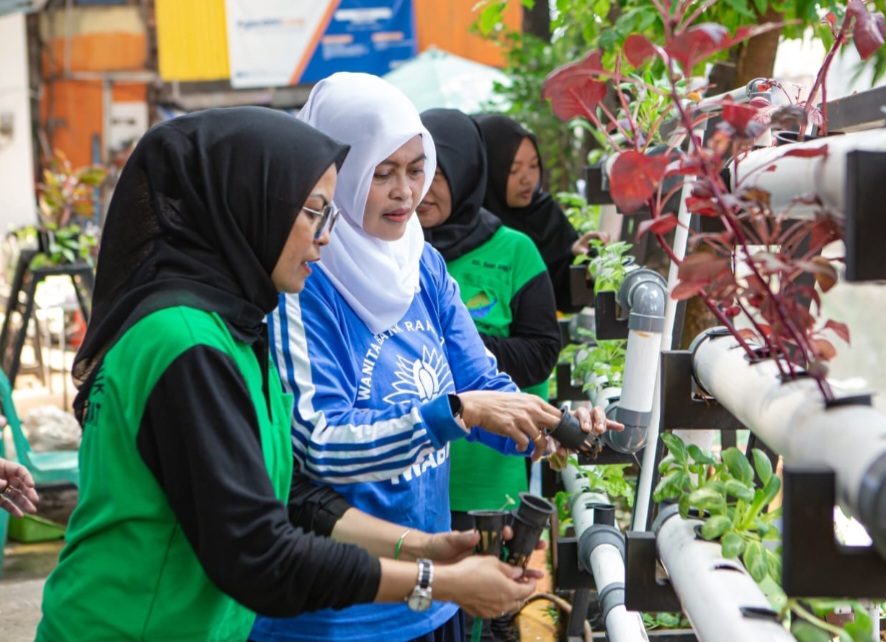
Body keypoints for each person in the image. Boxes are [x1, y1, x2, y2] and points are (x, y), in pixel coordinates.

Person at [35, 106, 536, 642]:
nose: (325, 237)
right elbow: (259, 553)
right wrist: (436, 581)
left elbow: (294, 496)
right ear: (248, 207)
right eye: (315, 211)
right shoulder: (184, 344)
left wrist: (418, 545)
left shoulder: (235, 326)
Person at [254, 73, 618, 642]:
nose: (407, 192)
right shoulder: (302, 280)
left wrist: (549, 427)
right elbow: (321, 444)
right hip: (340, 614)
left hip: (434, 593)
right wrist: (456, 413)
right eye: (383, 173)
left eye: (416, 169)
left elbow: (483, 383)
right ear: (337, 173)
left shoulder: (419, 264)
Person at [418, 107, 563, 642]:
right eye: (411, 171)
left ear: (466, 171)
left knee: (491, 613)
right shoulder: (388, 254)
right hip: (414, 471)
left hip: (489, 464)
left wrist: (452, 346)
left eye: (436, 171)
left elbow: (542, 351)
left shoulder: (515, 251)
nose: (422, 188)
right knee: (427, 605)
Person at [475, 114, 607, 313]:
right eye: (513, 170)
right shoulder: (469, 227)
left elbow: (562, 295)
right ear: (488, 169)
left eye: (534, 165)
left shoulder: (545, 214)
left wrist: (573, 255)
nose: (527, 179)